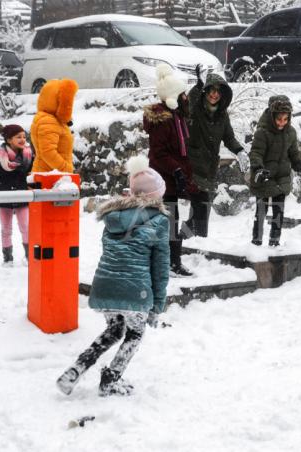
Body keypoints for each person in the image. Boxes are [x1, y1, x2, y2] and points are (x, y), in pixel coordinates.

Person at [56, 155, 170, 397]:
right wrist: (157, 305)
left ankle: (77, 368)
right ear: (154, 196)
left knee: (114, 330)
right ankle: (111, 378)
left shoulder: (113, 217)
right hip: (134, 289)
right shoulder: (159, 220)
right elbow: (161, 266)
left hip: (104, 285)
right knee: (135, 333)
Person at [182, 66, 246, 239]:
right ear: (206, 91)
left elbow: (229, 138)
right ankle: (188, 242)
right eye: (211, 90)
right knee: (199, 209)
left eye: (218, 91)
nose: (214, 94)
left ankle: (186, 241)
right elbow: (189, 102)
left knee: (202, 210)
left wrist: (239, 151)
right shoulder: (196, 109)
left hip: (209, 168)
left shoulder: (222, 116)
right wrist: (199, 85)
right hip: (193, 166)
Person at [144, 63, 195, 277]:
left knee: (171, 221)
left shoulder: (177, 117)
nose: (186, 98)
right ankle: (170, 263)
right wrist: (176, 170)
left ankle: (172, 261)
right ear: (173, 98)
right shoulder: (164, 121)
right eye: (183, 94)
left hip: (173, 177)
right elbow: (158, 153)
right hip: (163, 180)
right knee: (167, 223)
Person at [249, 95, 301, 247]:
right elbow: (256, 153)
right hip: (264, 177)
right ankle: (256, 242)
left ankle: (274, 241)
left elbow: (294, 155)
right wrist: (258, 170)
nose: (282, 123)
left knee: (279, 212)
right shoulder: (262, 132)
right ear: (271, 116)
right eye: (279, 119)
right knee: (261, 211)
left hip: (282, 178)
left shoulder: (291, 133)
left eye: (285, 119)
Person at [0, 124, 34, 266]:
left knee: (25, 227)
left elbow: (33, 172)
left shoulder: (28, 154)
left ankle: (29, 257)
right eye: (18, 137)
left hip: (22, 195)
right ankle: (7, 258)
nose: (23, 139)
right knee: (6, 229)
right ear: (9, 139)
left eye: (24, 136)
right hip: (4, 196)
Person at [30, 79, 78, 172]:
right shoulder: (48, 121)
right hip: (50, 176)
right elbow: (48, 152)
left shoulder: (54, 120)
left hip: (51, 174)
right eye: (67, 101)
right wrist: (66, 168)